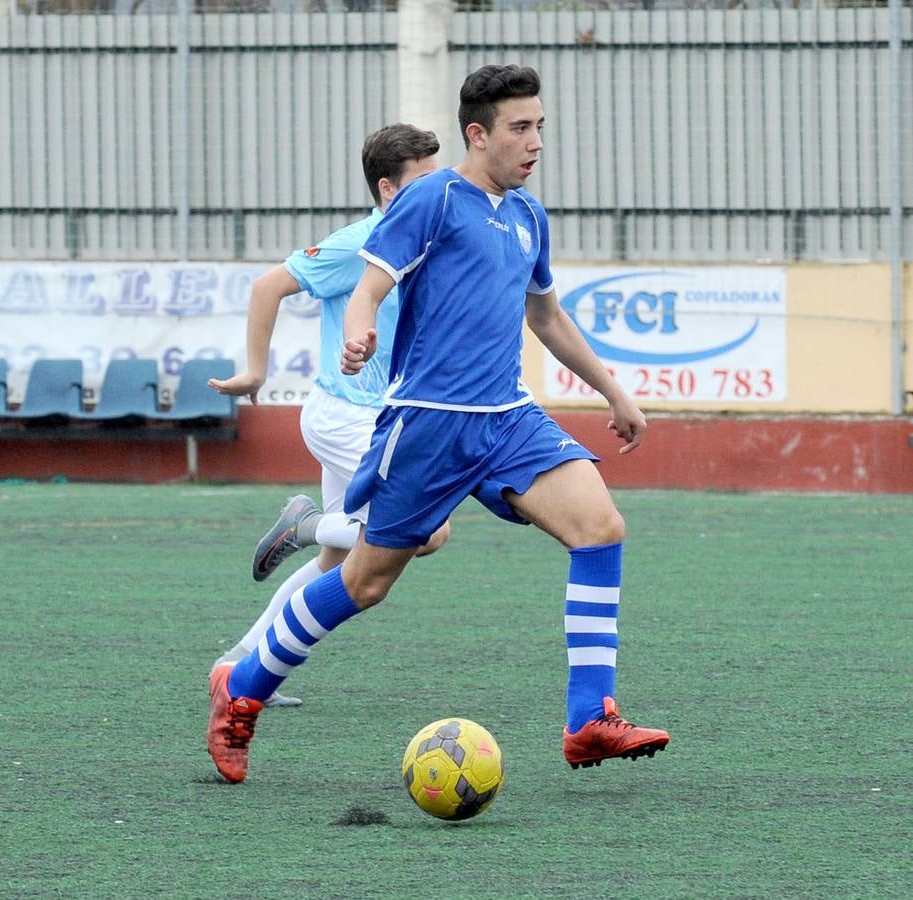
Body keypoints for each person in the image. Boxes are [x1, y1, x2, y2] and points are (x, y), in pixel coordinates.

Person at [208, 65, 670, 784]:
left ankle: (588, 721)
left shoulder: (527, 217)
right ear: (477, 134)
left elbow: (545, 315)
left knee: (601, 527)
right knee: (364, 583)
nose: (535, 142)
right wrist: (358, 333)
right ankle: (242, 692)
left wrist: (614, 390)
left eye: (540, 126)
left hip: (508, 419)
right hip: (429, 424)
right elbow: (369, 287)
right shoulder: (432, 200)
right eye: (520, 128)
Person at [207, 123, 450, 708]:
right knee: (428, 533)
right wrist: (257, 370)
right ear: (389, 190)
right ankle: (304, 523)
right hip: (347, 417)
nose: (440, 190)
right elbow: (269, 286)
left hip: (371, 417)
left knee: (335, 563)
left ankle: (238, 666)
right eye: (425, 180)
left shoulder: (426, 241)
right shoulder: (360, 242)